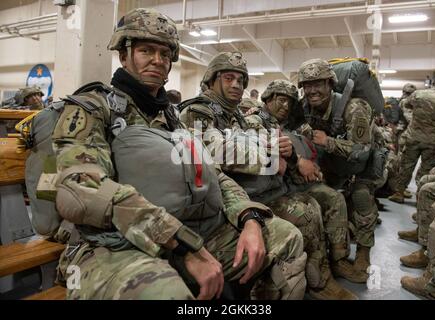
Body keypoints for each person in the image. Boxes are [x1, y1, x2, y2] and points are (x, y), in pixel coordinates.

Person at [46, 8, 307, 300]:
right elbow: (81, 187)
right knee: (165, 293)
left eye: (165, 53)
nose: (157, 60)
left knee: (285, 238)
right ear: (124, 55)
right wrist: (180, 242)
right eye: (146, 50)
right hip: (111, 244)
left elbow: (213, 175)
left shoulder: (170, 117)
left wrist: (248, 217)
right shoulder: (93, 108)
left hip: (185, 230)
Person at [179, 53, 359, 299]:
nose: (236, 85)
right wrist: (272, 158)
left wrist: (280, 150)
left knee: (313, 205)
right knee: (306, 210)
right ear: (211, 80)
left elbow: (255, 141)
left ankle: (320, 276)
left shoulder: (235, 116)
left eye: (241, 80)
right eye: (228, 78)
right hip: (218, 205)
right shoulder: (197, 111)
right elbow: (213, 152)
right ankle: (312, 283)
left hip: (244, 194)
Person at [295, 58, 379, 274]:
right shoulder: (305, 108)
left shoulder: (354, 108)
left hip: (363, 162)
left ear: (330, 84)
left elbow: (362, 151)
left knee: (361, 197)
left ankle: (364, 251)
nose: (312, 90)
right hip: (333, 162)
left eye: (318, 84)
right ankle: (334, 244)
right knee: (322, 195)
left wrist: (328, 142)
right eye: (307, 85)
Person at [389, 77, 435, 204]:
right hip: (433, 140)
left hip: (413, 136)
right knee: (426, 169)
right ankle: (420, 197)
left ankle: (399, 192)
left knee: (406, 165)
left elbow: (405, 104)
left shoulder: (418, 94)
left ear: (432, 84)